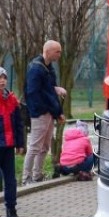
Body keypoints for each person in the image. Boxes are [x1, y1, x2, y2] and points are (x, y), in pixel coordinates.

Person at [21, 40, 67, 185]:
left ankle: (37, 176)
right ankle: (26, 179)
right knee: (35, 146)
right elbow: (32, 93)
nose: (60, 54)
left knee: (45, 146)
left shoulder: (48, 68)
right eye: (57, 51)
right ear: (48, 52)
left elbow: (47, 89)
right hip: (40, 113)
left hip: (49, 112)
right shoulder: (36, 69)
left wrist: (56, 89)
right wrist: (41, 111)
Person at [0, 68, 25, 217]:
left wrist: (20, 143)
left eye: (4, 77)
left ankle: (11, 208)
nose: (2, 81)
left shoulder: (12, 100)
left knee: (10, 179)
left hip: (8, 146)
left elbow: (19, 124)